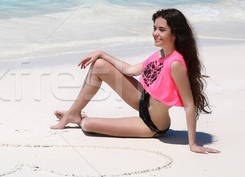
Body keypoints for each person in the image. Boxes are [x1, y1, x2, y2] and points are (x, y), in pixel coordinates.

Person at [50, 8, 220, 154]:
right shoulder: (160, 54)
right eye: (154, 28)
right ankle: (73, 113)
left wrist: (193, 144)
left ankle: (81, 119)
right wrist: (101, 53)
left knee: (87, 126)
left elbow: (189, 104)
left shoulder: (175, 63)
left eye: (162, 29)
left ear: (174, 33)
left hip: (152, 124)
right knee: (100, 65)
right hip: (142, 100)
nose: (155, 33)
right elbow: (129, 70)